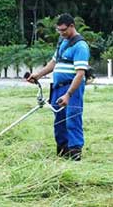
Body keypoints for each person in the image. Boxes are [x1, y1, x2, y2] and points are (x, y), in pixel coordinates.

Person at [27, 13, 90, 161]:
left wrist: (68, 94)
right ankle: (63, 149)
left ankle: (75, 152)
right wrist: (38, 75)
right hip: (58, 87)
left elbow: (80, 74)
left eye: (64, 30)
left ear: (72, 26)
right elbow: (54, 62)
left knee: (72, 118)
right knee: (59, 120)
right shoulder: (63, 41)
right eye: (59, 31)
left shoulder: (81, 46)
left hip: (71, 88)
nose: (61, 33)